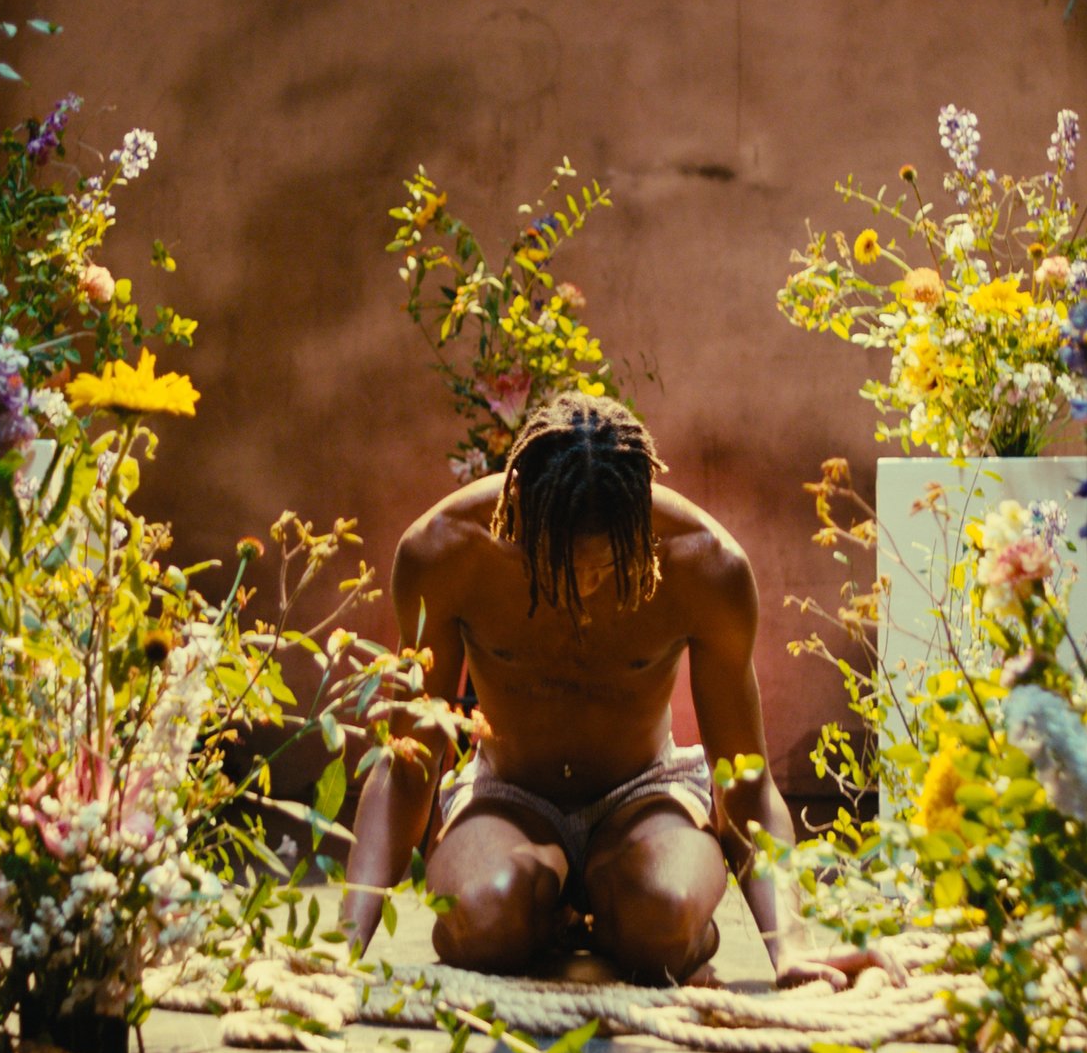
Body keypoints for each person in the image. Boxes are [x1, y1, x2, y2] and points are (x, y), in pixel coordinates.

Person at [340, 392, 893, 990]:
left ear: (641, 525)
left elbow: (746, 777)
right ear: (519, 508)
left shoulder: (706, 564)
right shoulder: (445, 550)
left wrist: (790, 946)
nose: (585, 590)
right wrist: (338, 952)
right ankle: (554, 919)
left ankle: (637, 930)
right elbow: (406, 766)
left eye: (605, 568)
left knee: (661, 920)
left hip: (648, 796)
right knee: (485, 919)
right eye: (556, 565)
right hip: (507, 794)